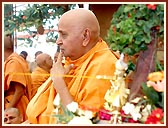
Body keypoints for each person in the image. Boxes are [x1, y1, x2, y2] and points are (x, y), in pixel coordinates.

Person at [26, 8, 118, 124]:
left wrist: (60, 85)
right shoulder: (71, 63)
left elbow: (84, 122)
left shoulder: (104, 66)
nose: (58, 41)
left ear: (85, 36)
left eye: (63, 35)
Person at [4, 34, 32, 122]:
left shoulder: (14, 62)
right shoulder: (15, 60)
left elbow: (19, 90)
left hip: (15, 104)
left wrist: (7, 111)